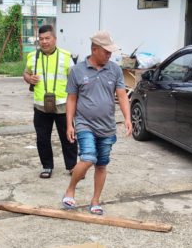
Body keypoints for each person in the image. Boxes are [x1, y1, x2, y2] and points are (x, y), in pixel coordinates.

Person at [61, 31, 132, 215]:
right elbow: (71, 99)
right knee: (88, 158)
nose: (109, 55)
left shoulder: (115, 69)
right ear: (94, 49)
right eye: (106, 52)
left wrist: (127, 118)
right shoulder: (77, 70)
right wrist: (70, 124)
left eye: (110, 52)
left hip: (107, 127)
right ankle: (71, 189)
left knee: (101, 164)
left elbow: (122, 95)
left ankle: (95, 200)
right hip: (85, 124)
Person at [23, 25, 77, 179]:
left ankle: (72, 166)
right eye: (41, 39)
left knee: (68, 136)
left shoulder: (66, 56)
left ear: (55, 39)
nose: (44, 42)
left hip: (62, 105)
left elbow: (74, 80)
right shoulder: (32, 56)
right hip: (40, 105)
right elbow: (25, 73)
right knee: (42, 138)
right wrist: (28, 78)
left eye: (47, 38)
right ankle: (47, 166)